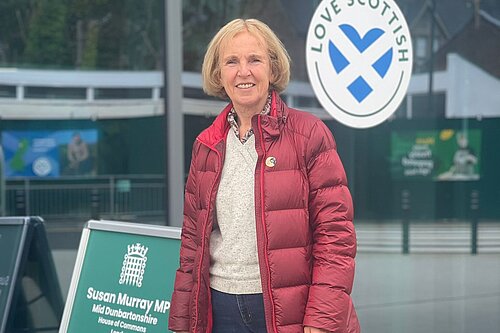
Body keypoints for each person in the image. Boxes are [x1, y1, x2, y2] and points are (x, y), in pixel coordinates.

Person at [168, 18, 360, 333]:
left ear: (272, 68)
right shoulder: (206, 145)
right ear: (219, 74)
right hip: (220, 308)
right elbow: (191, 242)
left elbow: (336, 237)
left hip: (290, 311)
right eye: (232, 61)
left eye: (254, 59)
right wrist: (183, 320)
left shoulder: (309, 135)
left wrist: (322, 319)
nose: (244, 71)